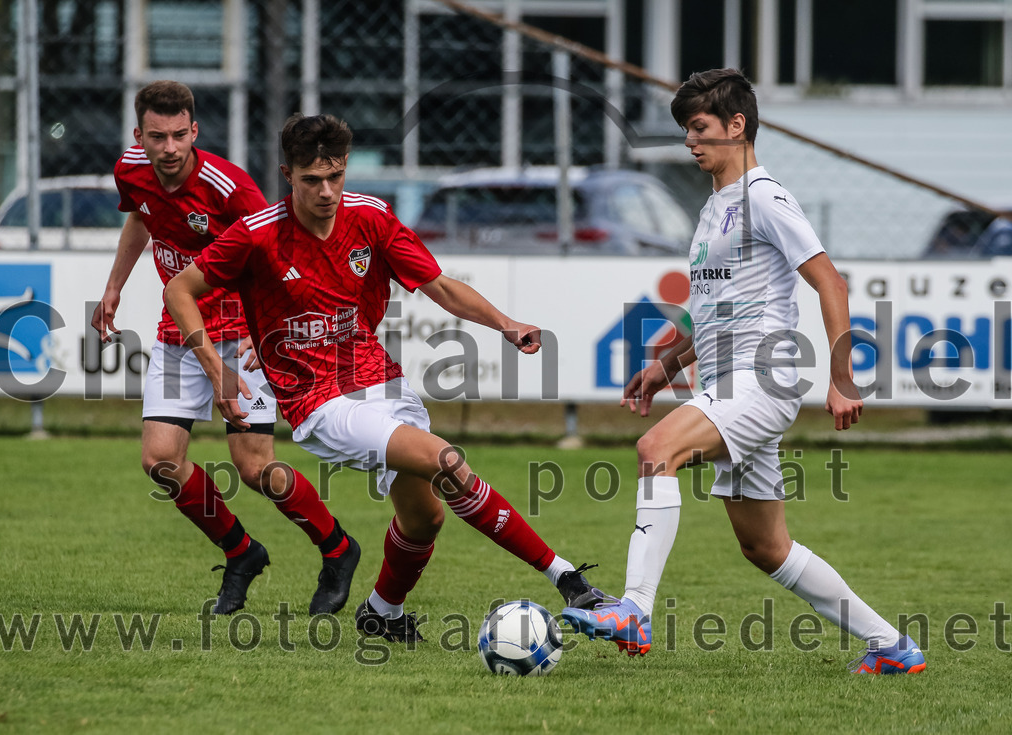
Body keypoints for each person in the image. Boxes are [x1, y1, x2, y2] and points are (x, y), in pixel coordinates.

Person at [163, 112, 607, 643]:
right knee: (446, 460)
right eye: (310, 181)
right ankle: (567, 578)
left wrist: (506, 324)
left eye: (334, 177)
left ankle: (381, 613)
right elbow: (178, 291)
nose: (325, 191)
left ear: (345, 168)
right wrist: (218, 370)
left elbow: (439, 285)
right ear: (287, 175)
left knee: (424, 520)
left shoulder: (371, 217)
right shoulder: (257, 236)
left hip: (381, 380)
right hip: (320, 401)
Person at [561, 69, 925, 675]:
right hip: (725, 382)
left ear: (737, 126)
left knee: (656, 449)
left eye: (700, 128)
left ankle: (633, 609)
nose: (689, 142)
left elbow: (828, 281)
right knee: (766, 546)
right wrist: (665, 364)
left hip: (764, 377)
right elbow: (712, 308)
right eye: (685, 130)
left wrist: (842, 377)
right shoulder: (714, 208)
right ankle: (892, 646)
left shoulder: (764, 196)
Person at [92, 81, 359, 617]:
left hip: (242, 334)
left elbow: (280, 247)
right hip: (180, 330)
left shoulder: (229, 187)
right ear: (138, 134)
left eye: (178, 136)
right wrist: (115, 285)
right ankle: (242, 553)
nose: (167, 148)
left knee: (256, 468)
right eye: (156, 136)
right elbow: (141, 218)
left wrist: (272, 328)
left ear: (195, 132)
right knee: (160, 462)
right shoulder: (130, 168)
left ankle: (337, 548)